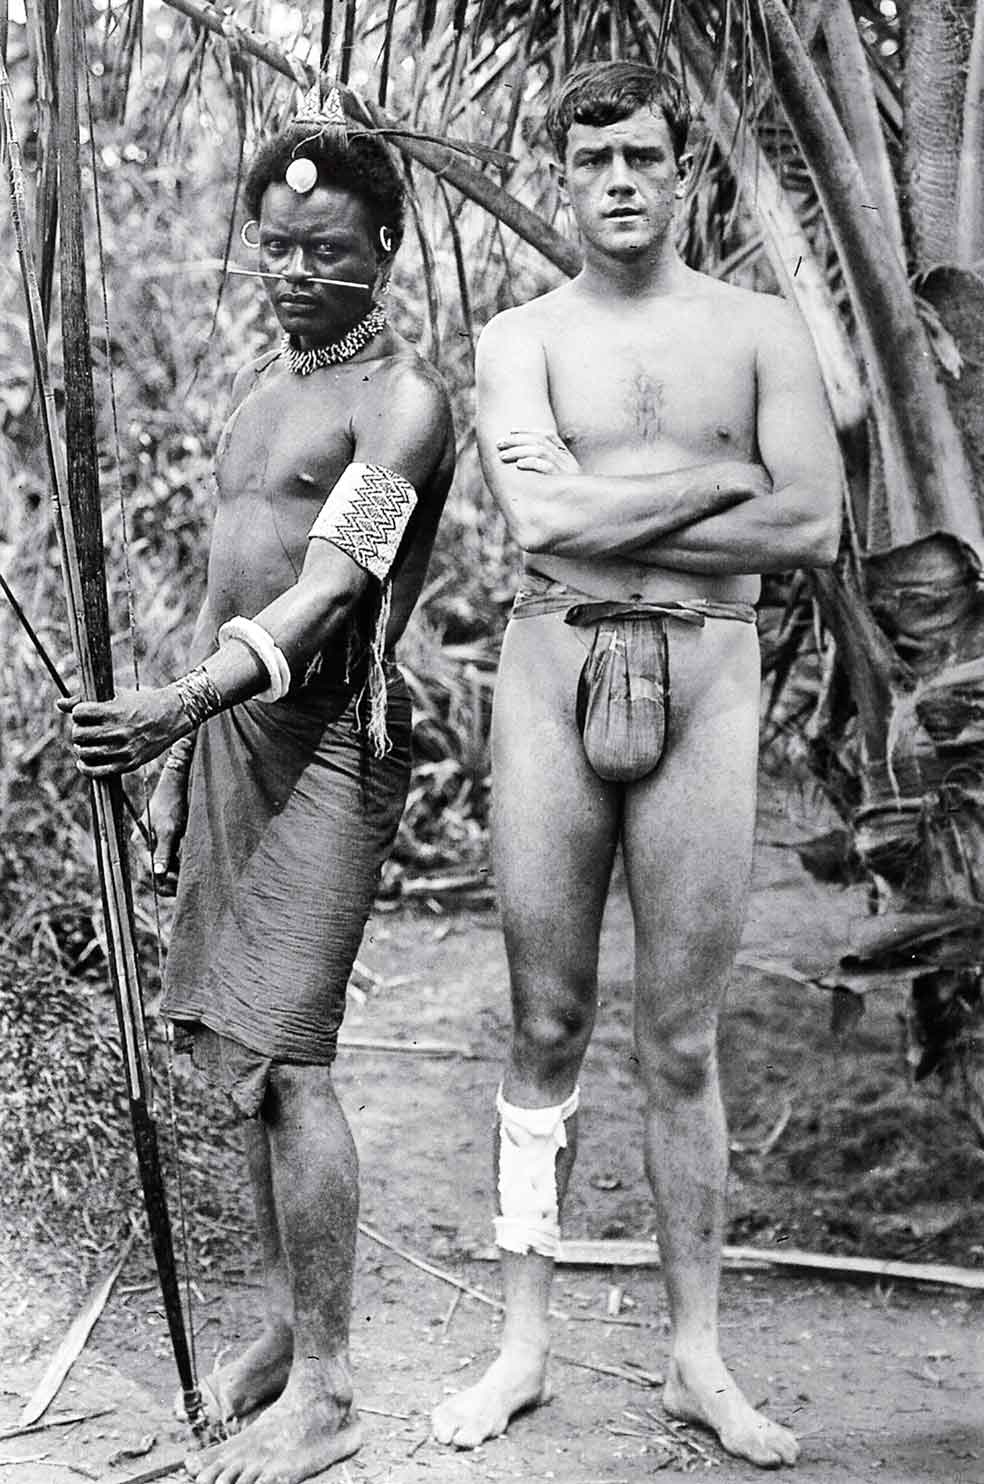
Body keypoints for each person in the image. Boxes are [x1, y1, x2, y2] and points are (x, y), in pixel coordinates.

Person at [431, 61, 840, 1469]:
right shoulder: (519, 339)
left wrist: (625, 520)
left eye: (643, 156)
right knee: (543, 1021)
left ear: (683, 174)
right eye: (593, 154)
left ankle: (696, 1359)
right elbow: (540, 529)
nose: (619, 178)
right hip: (552, 674)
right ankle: (522, 1348)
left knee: (679, 1035)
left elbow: (808, 531)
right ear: (565, 172)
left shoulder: (763, 333)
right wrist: (716, 484)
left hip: (709, 677)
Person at [63, 84, 454, 1484]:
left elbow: (334, 592)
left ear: (387, 250)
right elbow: (232, 580)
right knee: (236, 1067)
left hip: (329, 748)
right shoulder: (259, 395)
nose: (297, 275)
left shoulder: (402, 403)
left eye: (329, 251)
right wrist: (178, 760)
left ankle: (337, 1390)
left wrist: (173, 708)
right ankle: (284, 1337)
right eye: (277, 250)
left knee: (294, 1061)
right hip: (226, 748)